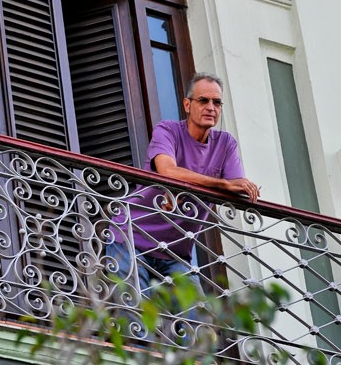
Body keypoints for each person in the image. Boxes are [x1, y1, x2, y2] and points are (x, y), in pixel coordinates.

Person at [107, 72, 260, 333]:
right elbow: (168, 170)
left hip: (176, 251)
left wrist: (236, 186)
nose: (211, 107)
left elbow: (238, 187)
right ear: (188, 104)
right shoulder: (168, 130)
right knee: (135, 318)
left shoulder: (225, 144)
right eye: (203, 100)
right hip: (130, 237)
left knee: (197, 328)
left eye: (217, 102)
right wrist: (221, 183)